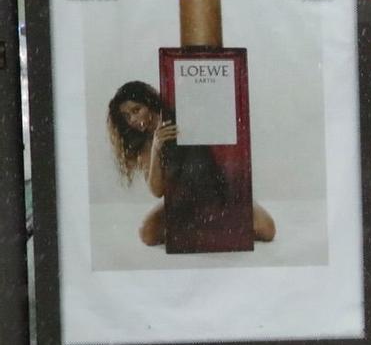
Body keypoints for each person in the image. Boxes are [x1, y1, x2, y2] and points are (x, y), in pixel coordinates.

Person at [106, 81, 276, 251]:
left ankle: (216, 225)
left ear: (149, 104)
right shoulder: (143, 144)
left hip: (218, 190)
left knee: (267, 230)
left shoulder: (181, 116)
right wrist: (156, 147)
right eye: (127, 116)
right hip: (182, 199)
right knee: (147, 233)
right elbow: (157, 191)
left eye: (136, 110)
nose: (133, 120)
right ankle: (206, 230)